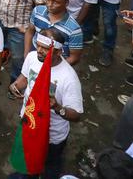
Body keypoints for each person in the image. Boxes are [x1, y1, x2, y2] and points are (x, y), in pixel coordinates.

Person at [9, 29, 83, 179]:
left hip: (52, 137)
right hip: (28, 124)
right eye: (38, 45)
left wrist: (57, 107)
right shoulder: (32, 57)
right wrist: (14, 86)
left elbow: (76, 115)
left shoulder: (68, 78)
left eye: (46, 49)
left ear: (58, 51)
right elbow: (24, 78)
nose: (40, 51)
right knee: (26, 162)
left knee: (50, 168)